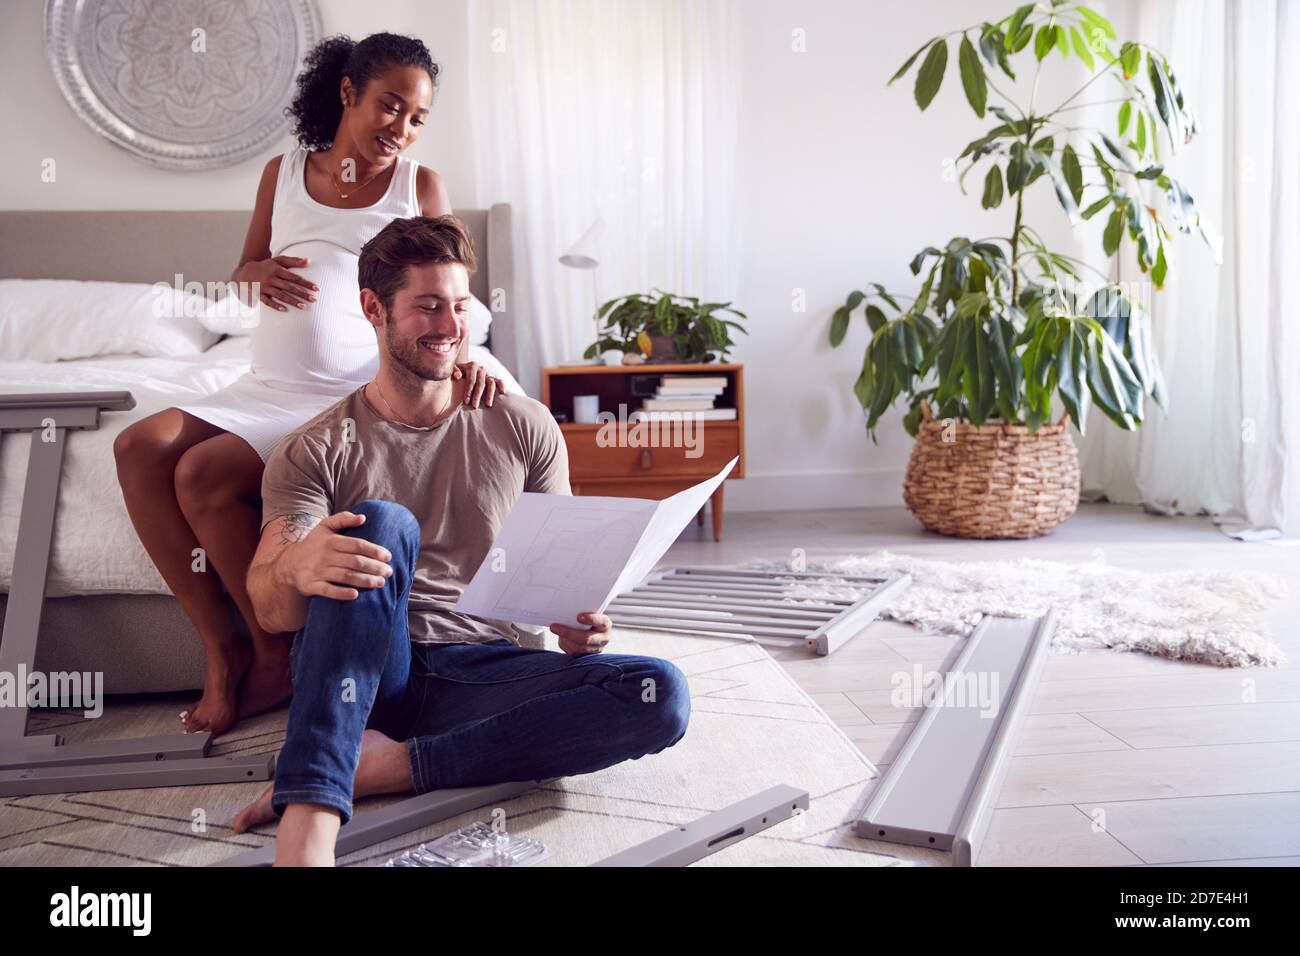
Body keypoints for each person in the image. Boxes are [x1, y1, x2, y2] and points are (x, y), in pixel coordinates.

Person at [232, 215, 691, 866]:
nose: (449, 327)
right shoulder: (313, 450)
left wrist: (580, 624)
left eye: (458, 306)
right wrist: (297, 567)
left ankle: (387, 767)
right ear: (373, 308)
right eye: (427, 307)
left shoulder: (522, 423)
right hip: (371, 675)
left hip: (487, 674)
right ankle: (309, 826)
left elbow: (561, 572)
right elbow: (269, 607)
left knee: (659, 693)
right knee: (382, 522)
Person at [113, 33, 503, 737]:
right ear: (348, 92)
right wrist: (252, 276)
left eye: (417, 117)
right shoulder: (284, 172)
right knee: (139, 447)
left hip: (346, 395)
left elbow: (453, 295)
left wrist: (466, 355)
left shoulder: (420, 186)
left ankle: (268, 655)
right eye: (391, 105)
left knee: (202, 473)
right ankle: (221, 644)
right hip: (265, 383)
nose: (401, 128)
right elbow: (244, 267)